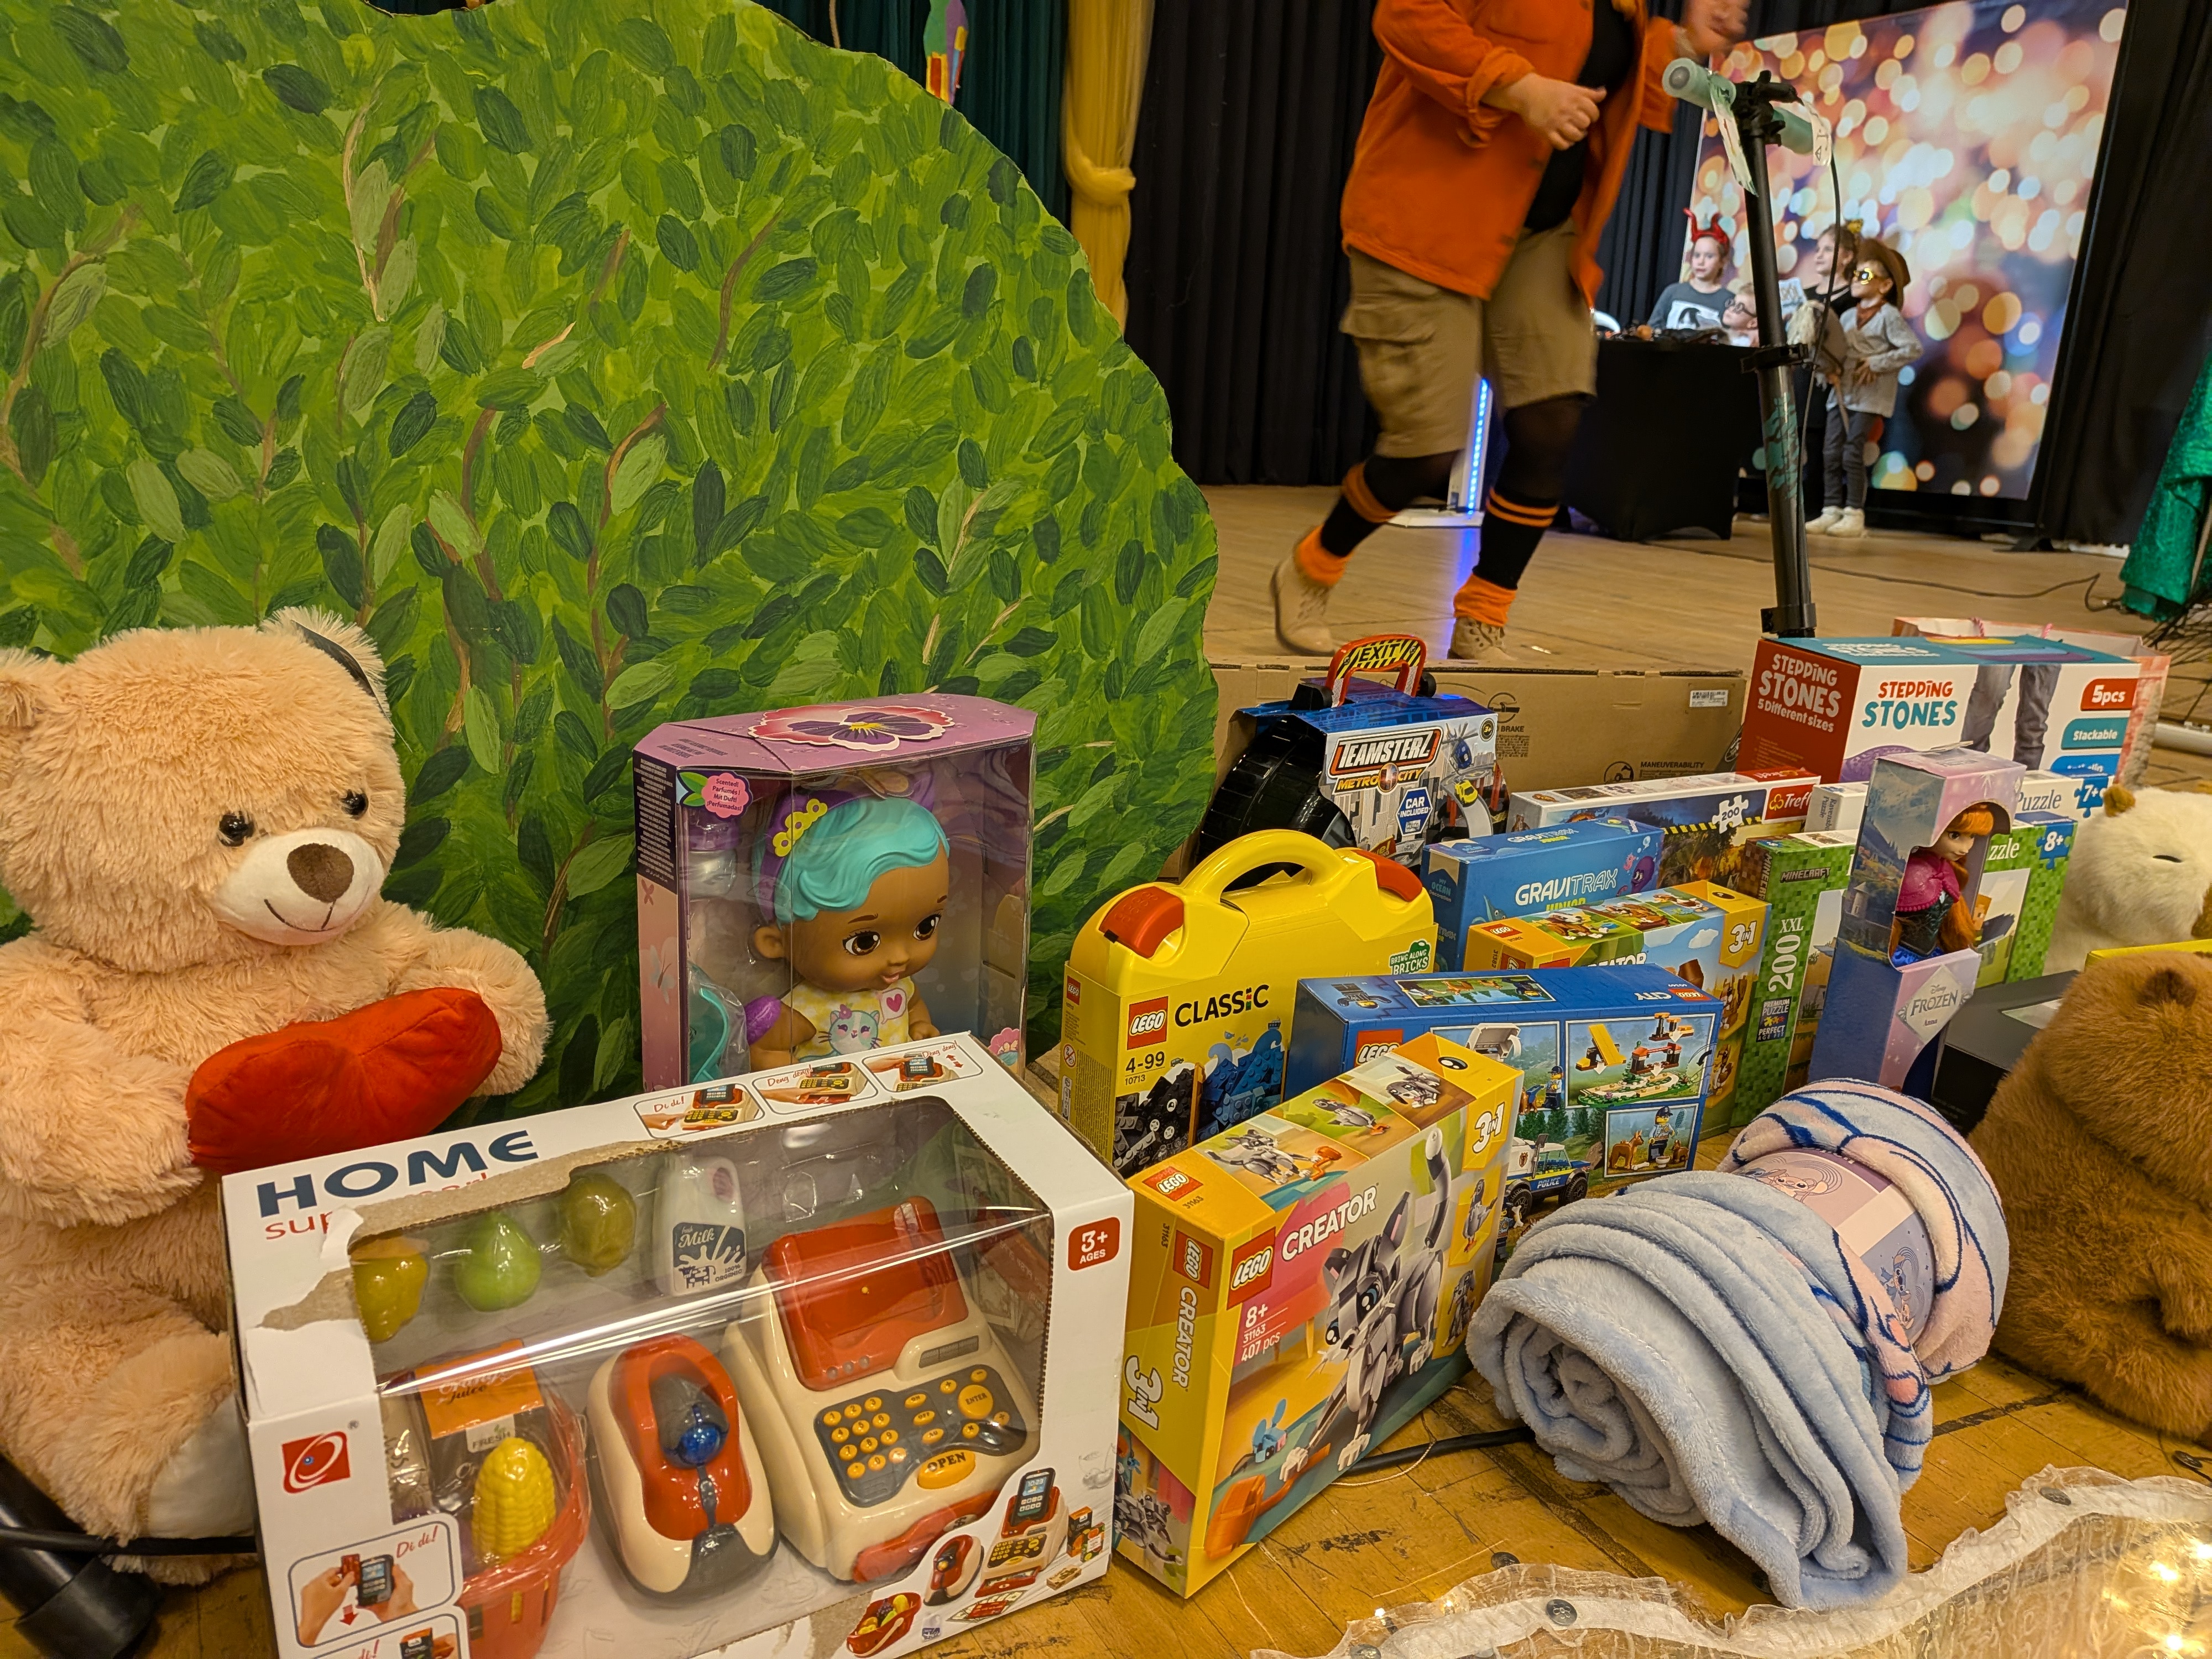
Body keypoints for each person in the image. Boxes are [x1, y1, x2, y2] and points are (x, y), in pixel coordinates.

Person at [1272, 0, 1748, 662]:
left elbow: (1615, 71)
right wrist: (1520, 88)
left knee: (1551, 422)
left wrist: (1685, 42)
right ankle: (1313, 565)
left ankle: (1484, 614)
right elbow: (1405, 17)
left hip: (1541, 236)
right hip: (1428, 222)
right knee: (1425, 453)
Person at [1808, 238, 1919, 540]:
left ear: (1885, 285)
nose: (1857, 279)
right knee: (1831, 452)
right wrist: (1829, 370)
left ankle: (1854, 513)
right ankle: (1831, 509)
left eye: (1866, 275)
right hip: (1840, 394)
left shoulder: (1888, 316)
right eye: (1855, 274)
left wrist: (1877, 362)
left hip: (1868, 397)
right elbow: (1838, 352)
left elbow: (1912, 348)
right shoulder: (1846, 317)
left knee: (1852, 452)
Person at [1646, 215, 1733, 332]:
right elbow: (1652, 330)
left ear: (1722, 261)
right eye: (1697, 255)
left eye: (1709, 256)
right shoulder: (1672, 292)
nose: (1701, 262)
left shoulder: (1729, 301)